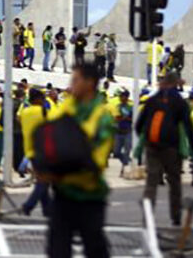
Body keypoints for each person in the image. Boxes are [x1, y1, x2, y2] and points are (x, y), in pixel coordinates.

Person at [45, 62, 114, 258]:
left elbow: (98, 160)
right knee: (57, 250)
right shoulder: (64, 109)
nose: (71, 84)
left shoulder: (102, 117)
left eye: (75, 80)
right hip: (62, 194)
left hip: (90, 195)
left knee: (95, 249)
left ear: (90, 83)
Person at [136, 71, 193, 226]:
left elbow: (139, 124)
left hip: (152, 146)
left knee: (151, 183)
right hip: (171, 147)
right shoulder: (179, 102)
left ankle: (147, 218)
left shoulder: (152, 100)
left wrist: (145, 141)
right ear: (176, 83)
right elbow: (188, 126)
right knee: (175, 182)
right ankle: (175, 217)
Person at [19, 88, 50, 216]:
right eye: (42, 99)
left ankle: (48, 210)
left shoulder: (24, 112)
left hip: (29, 150)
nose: (43, 101)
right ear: (37, 99)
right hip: (43, 151)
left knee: (42, 180)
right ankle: (28, 206)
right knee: (43, 182)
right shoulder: (43, 111)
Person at [111, 89, 133, 177]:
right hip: (118, 132)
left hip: (128, 132)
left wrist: (126, 119)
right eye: (120, 96)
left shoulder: (131, 107)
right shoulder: (117, 106)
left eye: (122, 96)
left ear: (126, 97)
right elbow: (115, 118)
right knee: (116, 152)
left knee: (127, 151)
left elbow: (134, 119)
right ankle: (127, 160)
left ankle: (124, 168)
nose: (120, 98)